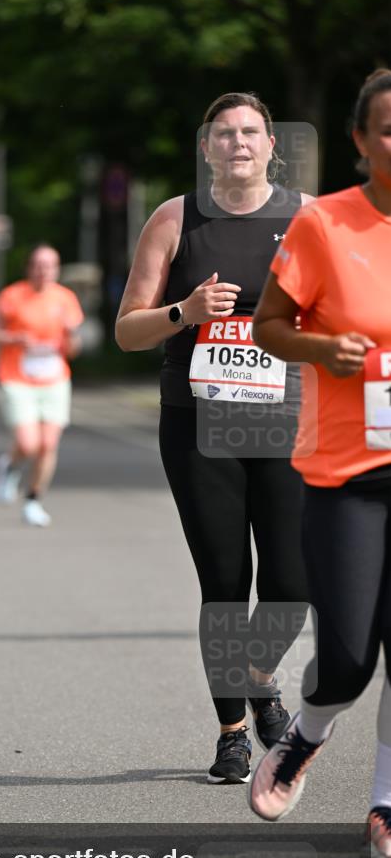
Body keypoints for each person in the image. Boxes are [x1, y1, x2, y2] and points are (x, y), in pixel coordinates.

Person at [116, 93, 314, 784]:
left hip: (289, 420)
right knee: (225, 583)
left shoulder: (306, 216)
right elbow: (127, 327)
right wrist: (184, 310)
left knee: (293, 580)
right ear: (206, 148)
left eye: (249, 132)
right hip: (200, 424)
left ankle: (258, 674)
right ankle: (232, 731)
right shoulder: (176, 218)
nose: (237, 142)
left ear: (269, 145)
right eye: (223, 133)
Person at [248, 70, 391, 858]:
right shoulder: (324, 225)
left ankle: (384, 806)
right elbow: (270, 324)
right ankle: (304, 738)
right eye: (389, 127)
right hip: (347, 472)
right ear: (361, 140)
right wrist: (317, 347)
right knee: (344, 659)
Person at [0, 244, 83, 527]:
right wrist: (16, 339)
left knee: (48, 444)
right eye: (39, 265)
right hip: (17, 377)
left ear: (56, 270)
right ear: (30, 268)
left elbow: (74, 349)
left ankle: (33, 500)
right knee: (29, 444)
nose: (44, 271)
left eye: (50, 266)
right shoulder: (12, 296)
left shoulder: (66, 299)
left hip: (54, 378)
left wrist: (70, 334)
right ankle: (10, 466)